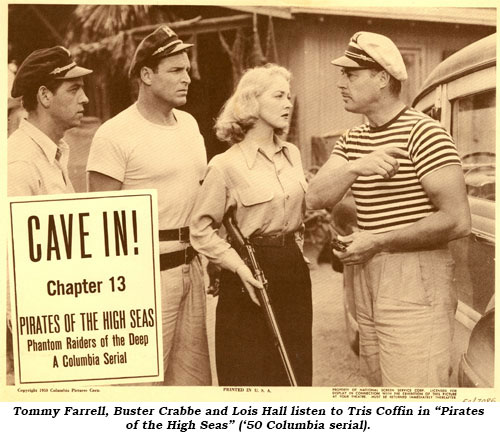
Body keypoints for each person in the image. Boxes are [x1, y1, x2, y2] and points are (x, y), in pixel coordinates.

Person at [307, 32, 471, 387]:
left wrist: (378, 240)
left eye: (350, 74)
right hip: (368, 272)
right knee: (380, 386)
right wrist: (354, 167)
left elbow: (457, 219)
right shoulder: (354, 139)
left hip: (415, 274)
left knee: (415, 392)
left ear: (382, 78)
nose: (341, 84)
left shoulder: (425, 133)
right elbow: (315, 198)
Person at [86, 25, 211, 386]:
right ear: (146, 75)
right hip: (144, 277)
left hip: (192, 266)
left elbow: (199, 193)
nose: (187, 78)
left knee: (192, 387)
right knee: (139, 388)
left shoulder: (189, 124)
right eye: (175, 70)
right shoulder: (114, 133)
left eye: (186, 69)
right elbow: (100, 222)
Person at [190, 64, 312, 386]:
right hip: (247, 276)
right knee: (249, 375)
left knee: (296, 376)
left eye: (289, 96)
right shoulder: (225, 165)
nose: (288, 103)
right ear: (252, 101)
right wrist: (237, 267)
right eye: (279, 96)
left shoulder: (293, 155)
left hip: (293, 275)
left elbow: (298, 214)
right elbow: (200, 229)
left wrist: (295, 252)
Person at [8, 46, 92, 196]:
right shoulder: (20, 164)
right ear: (45, 96)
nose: (85, 99)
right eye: (74, 90)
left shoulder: (53, 151)